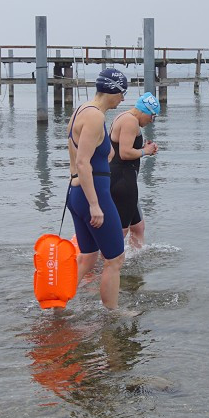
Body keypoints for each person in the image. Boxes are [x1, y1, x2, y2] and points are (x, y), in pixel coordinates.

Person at [67, 68, 128, 310]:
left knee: (88, 256)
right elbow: (83, 162)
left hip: (76, 193)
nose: (122, 99)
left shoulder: (81, 110)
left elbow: (91, 153)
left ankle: (59, 303)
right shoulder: (95, 117)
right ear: (112, 90)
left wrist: (106, 150)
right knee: (115, 259)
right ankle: (113, 314)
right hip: (93, 195)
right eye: (122, 93)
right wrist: (95, 205)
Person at [109, 91, 159, 249]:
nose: (151, 121)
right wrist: (146, 151)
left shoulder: (125, 117)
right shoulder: (130, 121)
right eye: (152, 117)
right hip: (122, 182)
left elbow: (122, 148)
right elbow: (124, 153)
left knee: (138, 227)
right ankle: (103, 266)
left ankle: (134, 264)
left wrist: (144, 148)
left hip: (124, 179)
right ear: (145, 111)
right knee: (120, 231)